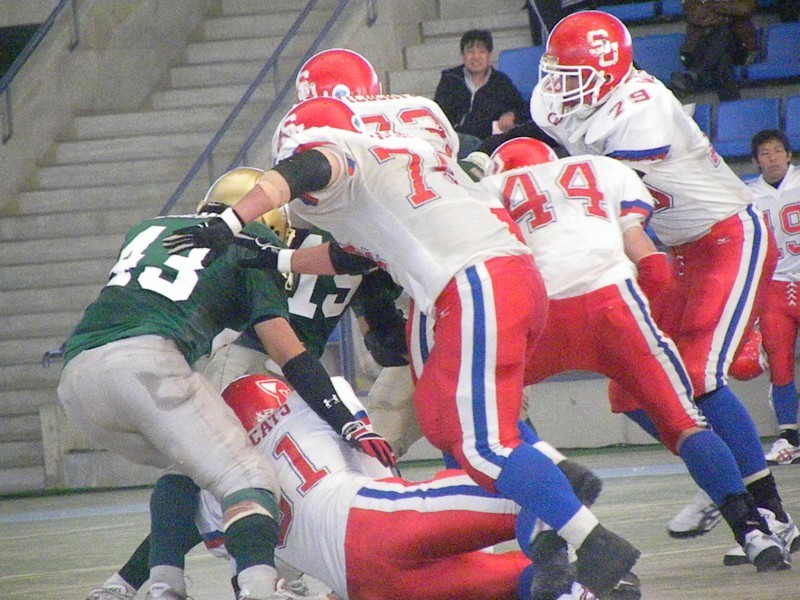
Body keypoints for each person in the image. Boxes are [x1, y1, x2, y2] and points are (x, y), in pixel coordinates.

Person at [161, 96, 643, 598]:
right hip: (500, 280)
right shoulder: (400, 169)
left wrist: (231, 221)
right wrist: (276, 260)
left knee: (483, 445)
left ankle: (592, 540)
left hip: (474, 283)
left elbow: (307, 167)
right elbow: (352, 257)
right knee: (441, 418)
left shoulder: (343, 155)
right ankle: (550, 507)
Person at [529, 9, 797, 567]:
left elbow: (598, 188)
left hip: (728, 236)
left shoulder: (642, 107)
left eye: (571, 75)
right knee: (631, 391)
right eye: (555, 73)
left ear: (607, 70)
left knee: (696, 377)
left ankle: (766, 511)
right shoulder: (559, 104)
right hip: (677, 252)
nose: (557, 88)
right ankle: (721, 473)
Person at [477, 136, 791, 573]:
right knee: (684, 420)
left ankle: (555, 527)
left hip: (543, 316)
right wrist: (646, 314)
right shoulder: (599, 169)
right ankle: (754, 533)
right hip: (615, 304)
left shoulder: (490, 191)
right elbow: (650, 261)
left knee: (489, 423)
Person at [60, 197, 394, 600]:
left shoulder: (151, 227)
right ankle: (244, 585)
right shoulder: (285, 238)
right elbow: (312, 348)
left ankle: (147, 582)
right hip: (263, 362)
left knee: (208, 471)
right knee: (227, 476)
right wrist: (344, 418)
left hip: (84, 372)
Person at [195, 372, 598, 600]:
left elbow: (249, 561)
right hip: (374, 521)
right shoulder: (309, 404)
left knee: (514, 579)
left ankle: (572, 584)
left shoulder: (217, 491)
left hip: (365, 588)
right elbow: (377, 467)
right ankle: (590, 570)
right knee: (539, 489)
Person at [748, 129, 800, 465]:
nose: (773, 158)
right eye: (765, 153)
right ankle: (790, 439)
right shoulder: (747, 195)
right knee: (779, 366)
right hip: (774, 286)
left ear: (789, 155)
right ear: (756, 161)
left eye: (778, 151)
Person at [433, 29, 530, 159]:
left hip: (485, 144)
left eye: (482, 51)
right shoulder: (450, 79)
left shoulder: (501, 82)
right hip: (453, 141)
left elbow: (523, 109)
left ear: (489, 55)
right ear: (463, 55)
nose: (476, 56)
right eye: (470, 51)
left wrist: (512, 114)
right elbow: (437, 112)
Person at [668, 0, 757, 101]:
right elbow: (697, 16)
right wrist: (728, 15)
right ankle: (732, 105)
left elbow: (745, 9)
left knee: (724, 32)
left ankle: (694, 75)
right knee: (722, 59)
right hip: (700, 50)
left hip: (738, 49)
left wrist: (711, 6)